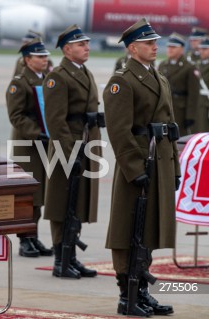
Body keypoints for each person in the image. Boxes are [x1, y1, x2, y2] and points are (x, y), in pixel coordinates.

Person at [103, 18, 180, 316]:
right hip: (138, 164)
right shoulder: (122, 80)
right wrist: (135, 169)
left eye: (155, 42)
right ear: (133, 48)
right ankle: (127, 295)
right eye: (149, 43)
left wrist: (173, 168)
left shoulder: (159, 78)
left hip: (159, 162)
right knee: (128, 229)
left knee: (147, 229)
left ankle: (143, 293)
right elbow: (119, 131)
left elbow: (169, 126)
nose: (156, 46)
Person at [42, 24, 102, 279]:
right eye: (81, 44)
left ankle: (72, 257)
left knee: (77, 202)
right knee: (61, 203)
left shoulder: (84, 72)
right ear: (67, 49)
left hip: (85, 144)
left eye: (87, 43)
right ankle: (60, 258)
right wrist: (70, 153)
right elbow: (56, 121)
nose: (86, 47)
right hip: (66, 148)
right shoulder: (58, 76)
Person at [5, 37, 54, 258]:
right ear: (27, 59)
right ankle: (24, 239)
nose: (44, 60)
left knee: (41, 193)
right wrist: (38, 133)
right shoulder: (20, 82)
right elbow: (16, 116)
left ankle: (33, 235)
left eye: (45, 56)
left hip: (45, 143)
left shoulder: (47, 80)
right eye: (40, 56)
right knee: (28, 194)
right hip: (28, 145)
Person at [158, 32, 200, 135]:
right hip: (164, 108)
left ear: (181, 49)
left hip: (180, 110)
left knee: (179, 140)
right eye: (169, 46)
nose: (170, 49)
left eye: (174, 47)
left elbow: (193, 94)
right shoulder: (163, 65)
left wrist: (190, 116)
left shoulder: (189, 67)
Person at [198, 37, 209, 132]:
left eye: (205, 49)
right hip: (200, 103)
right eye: (200, 49)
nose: (201, 51)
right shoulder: (198, 65)